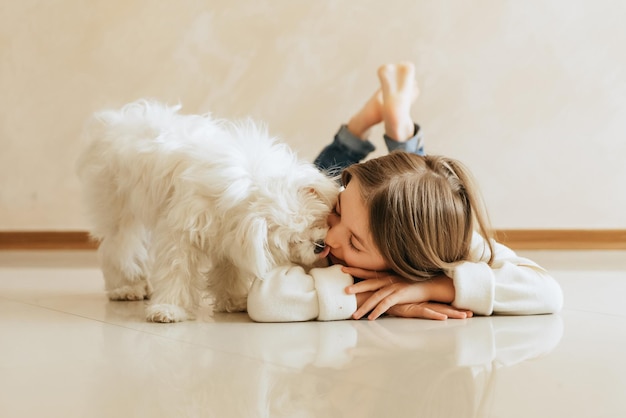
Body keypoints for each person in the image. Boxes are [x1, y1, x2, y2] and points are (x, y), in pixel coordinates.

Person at [247, 62, 563, 322]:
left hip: (415, 233)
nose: (331, 238)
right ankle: (391, 131)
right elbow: (262, 299)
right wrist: (375, 297)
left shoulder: (451, 247)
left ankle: (371, 127)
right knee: (322, 184)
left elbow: (547, 292)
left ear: (410, 263)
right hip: (363, 198)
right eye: (340, 211)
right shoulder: (315, 229)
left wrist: (433, 286)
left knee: (412, 189)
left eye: (355, 242)